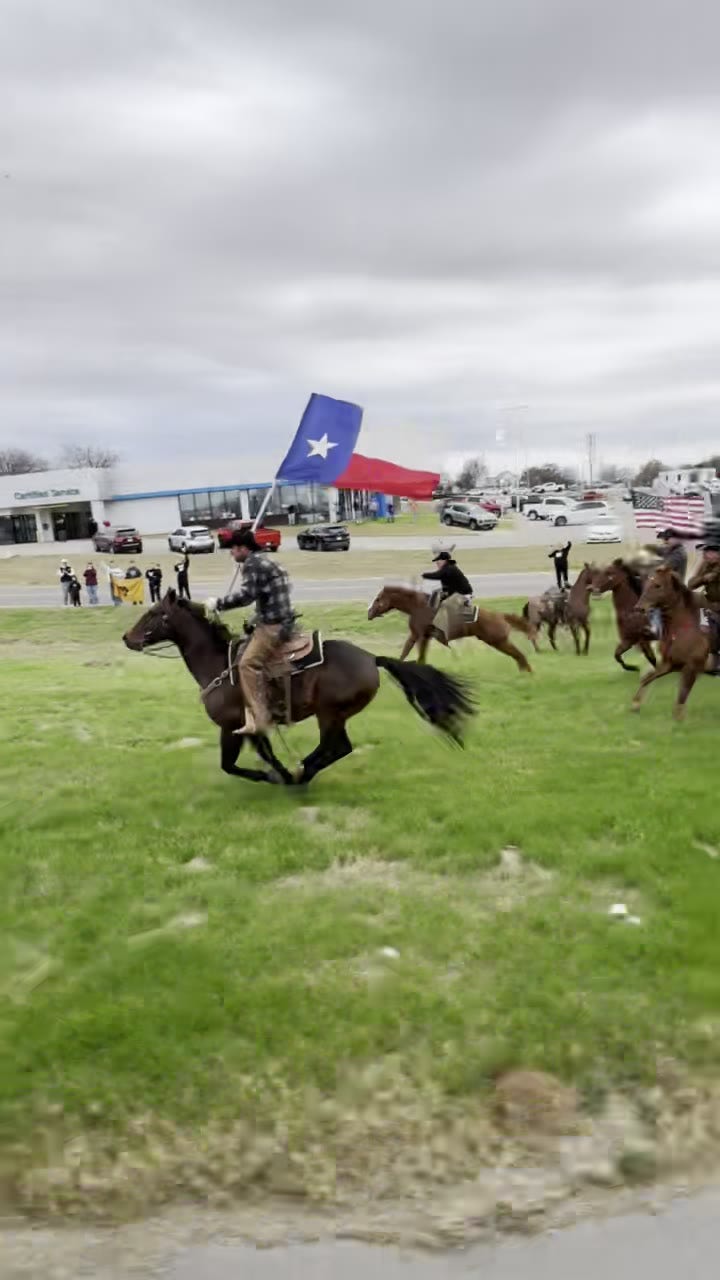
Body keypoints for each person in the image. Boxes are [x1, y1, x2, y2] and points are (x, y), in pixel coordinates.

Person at [204, 529, 295, 735]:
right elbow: (265, 596)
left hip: (274, 625)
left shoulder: (252, 564)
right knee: (241, 653)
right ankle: (250, 715)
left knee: (246, 664)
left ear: (243, 548)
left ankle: (260, 719)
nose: (231, 554)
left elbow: (247, 596)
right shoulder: (263, 560)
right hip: (275, 618)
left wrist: (218, 603)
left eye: (233, 549)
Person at [422, 549, 474, 642]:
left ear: (444, 561)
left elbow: (437, 575)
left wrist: (423, 575)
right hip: (456, 593)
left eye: (438, 561)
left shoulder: (449, 568)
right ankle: (432, 620)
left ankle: (443, 630)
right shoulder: (448, 568)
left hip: (463, 595)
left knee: (444, 605)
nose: (437, 563)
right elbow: (446, 586)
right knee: (436, 593)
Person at [688, 532, 720, 674]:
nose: (705, 555)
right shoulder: (705, 565)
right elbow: (691, 584)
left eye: (708, 552)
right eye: (704, 552)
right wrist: (704, 578)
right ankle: (713, 661)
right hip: (711, 604)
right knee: (709, 631)